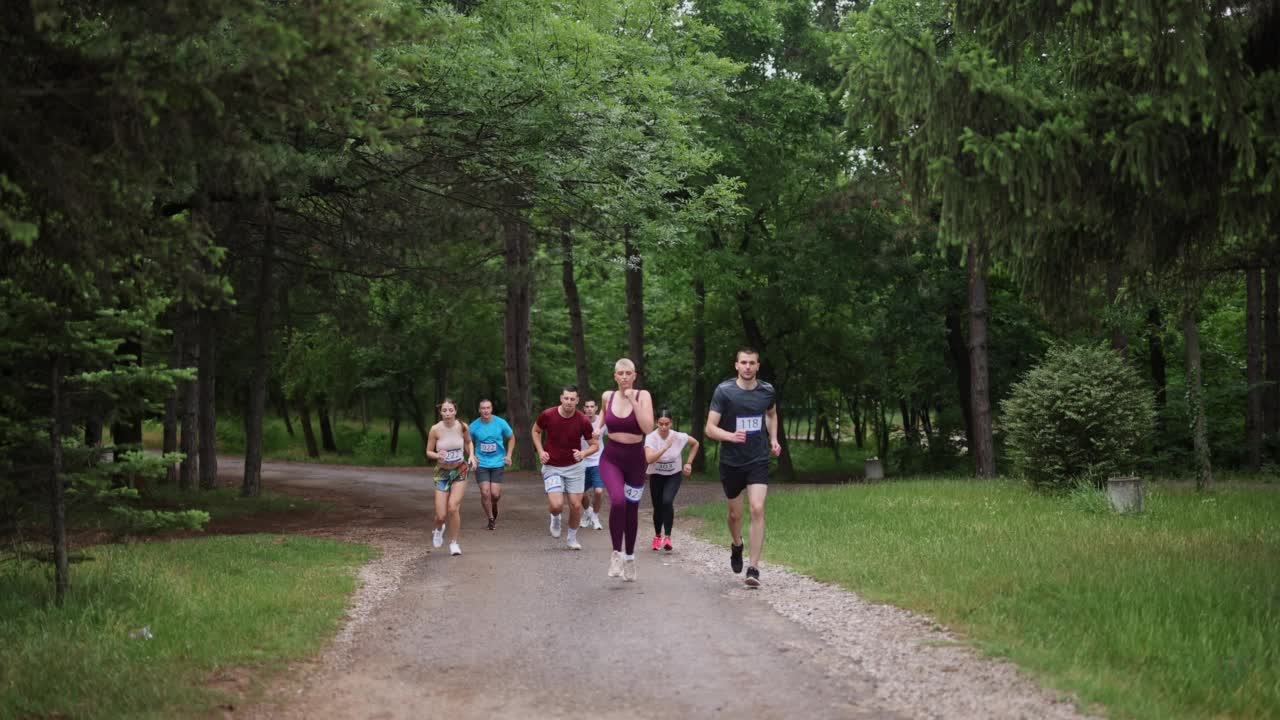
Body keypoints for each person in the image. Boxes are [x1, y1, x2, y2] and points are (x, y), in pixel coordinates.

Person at [703, 347, 780, 588]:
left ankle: (754, 567)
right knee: (735, 514)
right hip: (731, 460)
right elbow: (709, 428)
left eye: (752, 363)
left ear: (758, 366)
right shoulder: (724, 391)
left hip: (757, 459)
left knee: (757, 509)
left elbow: (771, 414)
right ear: (736, 365)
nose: (748, 367)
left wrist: (773, 438)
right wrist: (729, 435)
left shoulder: (767, 391)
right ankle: (737, 544)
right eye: (743, 362)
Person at [598, 358, 655, 581]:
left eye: (628, 373)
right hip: (611, 458)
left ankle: (630, 558)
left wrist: (633, 400)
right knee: (618, 501)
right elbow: (604, 415)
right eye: (620, 373)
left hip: (635, 461)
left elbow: (648, 427)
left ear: (634, 375)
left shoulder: (643, 396)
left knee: (632, 509)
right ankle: (616, 554)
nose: (623, 377)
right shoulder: (607, 396)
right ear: (615, 376)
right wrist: (597, 428)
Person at [531, 385, 599, 551]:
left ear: (577, 401)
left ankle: (571, 538)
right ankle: (555, 517)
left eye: (572, 399)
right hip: (552, 466)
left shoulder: (582, 420)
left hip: (575, 468)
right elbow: (535, 431)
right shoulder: (548, 415)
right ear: (561, 399)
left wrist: (583, 453)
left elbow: (594, 445)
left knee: (576, 505)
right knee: (557, 505)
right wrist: (540, 451)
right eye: (566, 398)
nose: (569, 402)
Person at [425, 398, 475, 556]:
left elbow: (468, 442)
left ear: (455, 411)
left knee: (453, 507)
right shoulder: (435, 429)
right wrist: (437, 455)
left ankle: (454, 543)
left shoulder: (462, 426)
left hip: (459, 470)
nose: (448, 413)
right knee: (441, 515)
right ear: (440, 412)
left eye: (450, 410)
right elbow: (428, 451)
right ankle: (438, 528)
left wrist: (472, 456)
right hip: (442, 473)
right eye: (444, 410)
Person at [644, 409, 699, 552]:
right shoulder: (651, 437)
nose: (663, 427)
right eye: (661, 424)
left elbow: (695, 444)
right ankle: (657, 536)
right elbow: (649, 459)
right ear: (657, 423)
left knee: (667, 501)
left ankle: (667, 537)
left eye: (666, 424)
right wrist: (664, 447)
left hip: (674, 475)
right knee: (657, 506)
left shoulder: (679, 436)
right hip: (656, 474)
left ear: (671, 423)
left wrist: (689, 463)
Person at [469, 399, 515, 530]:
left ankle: (494, 504)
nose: (485, 411)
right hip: (481, 463)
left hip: (497, 462)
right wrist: (472, 455)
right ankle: (490, 519)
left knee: (494, 494)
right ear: (479, 410)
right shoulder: (474, 426)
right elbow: (467, 441)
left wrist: (509, 455)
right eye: (483, 408)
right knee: (485, 492)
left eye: (488, 408)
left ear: (491, 409)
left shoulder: (500, 423)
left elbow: (511, 437)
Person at [578, 398, 606, 531]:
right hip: (582, 461)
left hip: (598, 461)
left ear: (596, 408)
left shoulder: (602, 423)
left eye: (592, 406)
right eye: (587, 407)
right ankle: (587, 511)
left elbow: (613, 436)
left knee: (599, 491)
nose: (589, 409)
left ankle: (595, 517)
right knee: (579, 492)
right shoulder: (579, 421)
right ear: (584, 408)